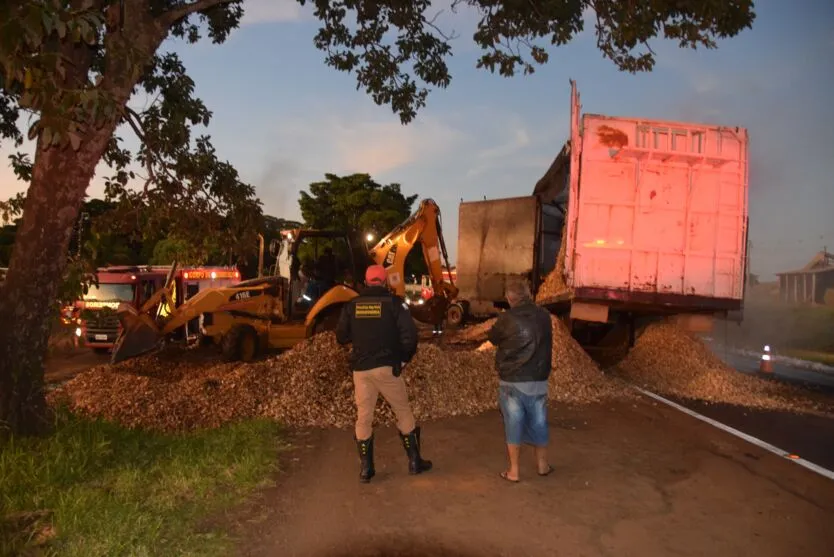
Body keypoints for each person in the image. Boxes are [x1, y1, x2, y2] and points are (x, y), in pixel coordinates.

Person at [335, 264, 432, 483]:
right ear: (385, 281)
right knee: (403, 411)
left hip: (361, 370)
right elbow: (410, 336)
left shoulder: (352, 305)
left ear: (367, 282)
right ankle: (415, 461)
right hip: (388, 367)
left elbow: (341, 336)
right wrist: (404, 359)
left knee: (364, 417)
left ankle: (366, 469)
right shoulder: (395, 304)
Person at [487, 278, 554, 482]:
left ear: (509, 298)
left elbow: (492, 338)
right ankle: (542, 466)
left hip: (512, 381)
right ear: (528, 294)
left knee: (513, 423)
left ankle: (514, 471)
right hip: (538, 379)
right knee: (539, 421)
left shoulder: (507, 318)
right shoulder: (544, 316)